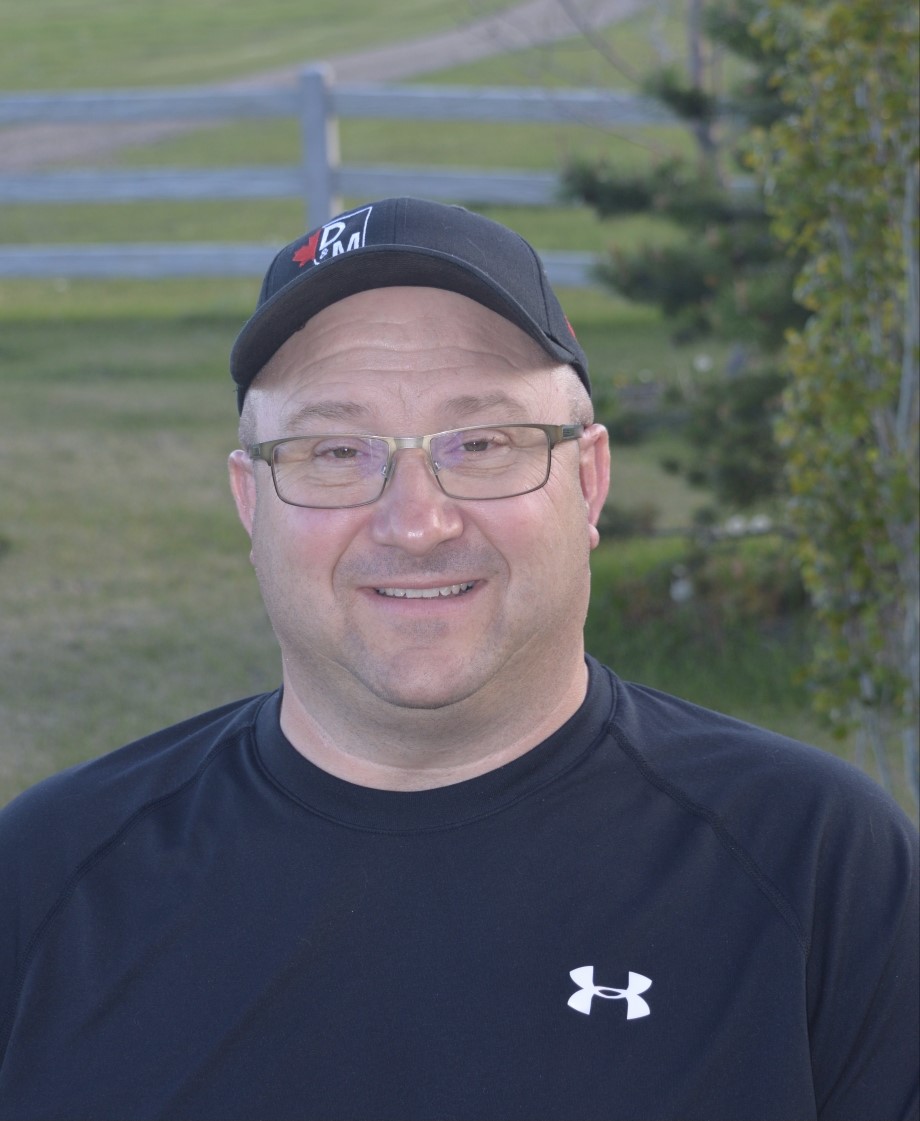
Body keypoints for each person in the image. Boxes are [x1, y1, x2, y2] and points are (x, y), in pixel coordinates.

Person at [0, 197, 916, 1121]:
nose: (416, 522)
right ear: (251, 502)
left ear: (589, 480)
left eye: (482, 443)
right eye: (333, 450)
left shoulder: (816, 867)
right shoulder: (46, 881)